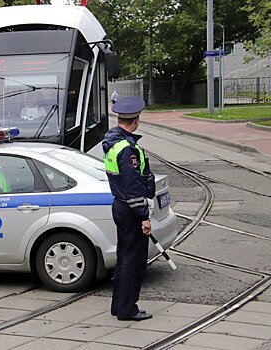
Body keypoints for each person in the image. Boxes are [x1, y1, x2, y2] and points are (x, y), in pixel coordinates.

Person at [102, 96, 156, 321]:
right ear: (136, 120)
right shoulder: (127, 150)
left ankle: (119, 306)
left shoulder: (113, 143)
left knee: (124, 259)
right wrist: (144, 217)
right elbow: (133, 187)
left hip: (121, 206)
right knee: (134, 261)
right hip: (130, 209)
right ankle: (128, 309)